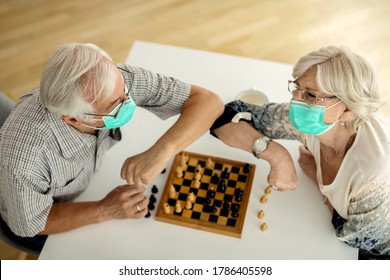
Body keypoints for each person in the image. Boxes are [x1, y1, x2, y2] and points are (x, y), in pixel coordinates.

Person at [0, 42, 223, 252]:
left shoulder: (112, 82)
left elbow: (209, 101)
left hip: (91, 179)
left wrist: (162, 151)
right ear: (73, 120)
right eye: (115, 106)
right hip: (45, 216)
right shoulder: (25, 161)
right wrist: (106, 209)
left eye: (125, 91)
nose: (129, 101)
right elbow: (30, 225)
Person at [211, 45, 390, 259]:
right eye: (297, 88)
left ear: (347, 110)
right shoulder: (310, 122)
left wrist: (317, 178)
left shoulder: (373, 171)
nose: (296, 100)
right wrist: (275, 154)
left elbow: (360, 238)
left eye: (311, 95)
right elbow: (225, 115)